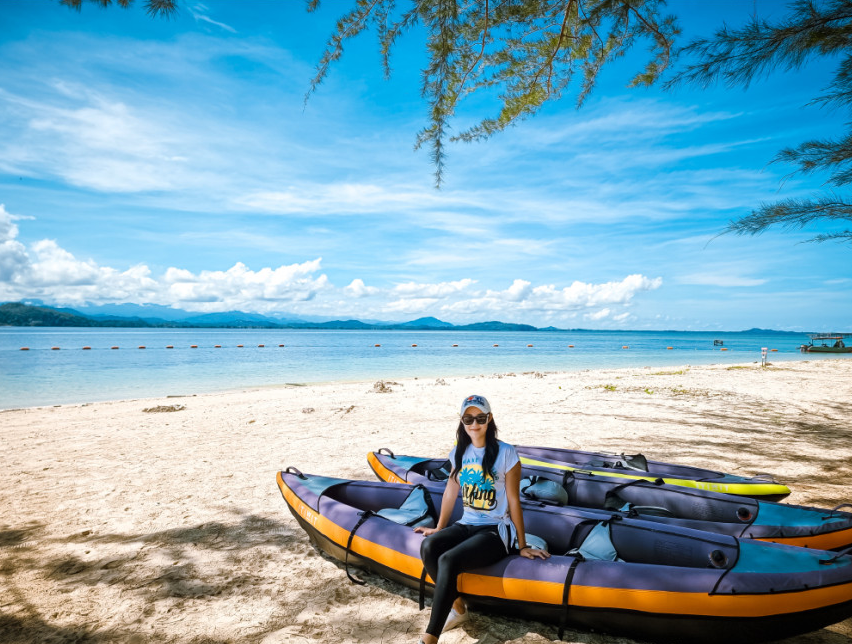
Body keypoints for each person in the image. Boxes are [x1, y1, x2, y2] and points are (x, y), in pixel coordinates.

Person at [414, 394, 549, 644]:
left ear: (489, 419)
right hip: (467, 524)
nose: (474, 424)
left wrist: (522, 545)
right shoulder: (459, 451)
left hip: (496, 530)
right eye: (468, 418)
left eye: (480, 418)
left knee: (448, 559)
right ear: (462, 421)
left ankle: (429, 639)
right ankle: (459, 609)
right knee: (429, 546)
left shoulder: (507, 453)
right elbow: (450, 491)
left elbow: (514, 501)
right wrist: (440, 527)